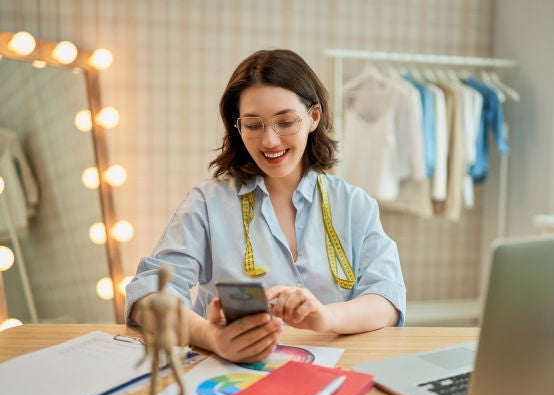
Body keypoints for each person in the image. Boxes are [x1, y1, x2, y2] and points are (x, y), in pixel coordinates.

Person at [125, 49, 406, 364]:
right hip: (229, 375)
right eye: (253, 125)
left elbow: (387, 299)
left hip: (333, 376)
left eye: (285, 121)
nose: (270, 141)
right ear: (237, 126)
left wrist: (324, 317)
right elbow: (148, 295)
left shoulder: (355, 205)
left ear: (314, 117)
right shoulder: (206, 204)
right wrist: (212, 337)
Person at [135, 265, 188, 395]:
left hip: (159, 341)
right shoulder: (174, 300)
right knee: (180, 387)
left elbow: (145, 329)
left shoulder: (150, 302)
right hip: (169, 341)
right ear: (169, 278)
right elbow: (183, 328)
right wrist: (183, 346)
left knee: (154, 386)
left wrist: (146, 351)